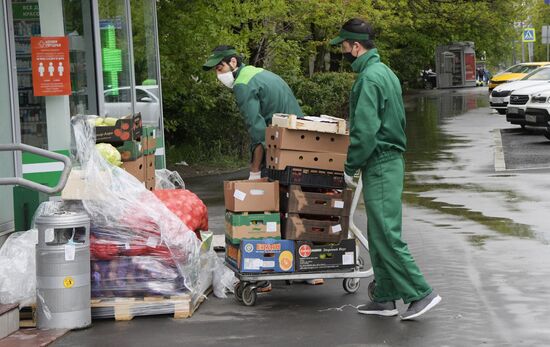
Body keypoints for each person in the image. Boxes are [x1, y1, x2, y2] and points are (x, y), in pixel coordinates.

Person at [330, 18, 441, 320]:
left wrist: (349, 166)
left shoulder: (368, 79)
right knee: (378, 234)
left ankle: (421, 293)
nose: (343, 52)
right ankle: (385, 298)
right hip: (388, 161)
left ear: (356, 46)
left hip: (380, 161)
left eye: (344, 46)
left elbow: (365, 132)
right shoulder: (385, 73)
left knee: (387, 235)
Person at [203, 45, 304, 180]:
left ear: (233, 62)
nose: (219, 75)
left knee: (265, 195)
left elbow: (257, 130)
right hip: (301, 139)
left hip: (279, 148)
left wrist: (255, 171)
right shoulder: (260, 73)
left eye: (220, 68)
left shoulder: (242, 84)